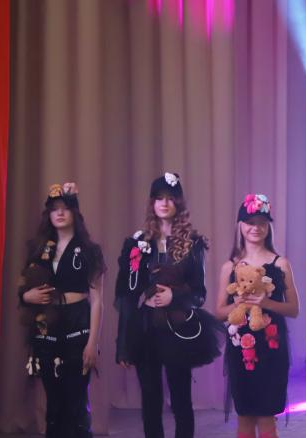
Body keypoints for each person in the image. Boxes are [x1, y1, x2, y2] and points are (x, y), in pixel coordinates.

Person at [115, 172, 221, 438]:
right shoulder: (137, 243)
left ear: (178, 203)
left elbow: (199, 294)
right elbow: (126, 295)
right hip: (147, 329)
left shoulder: (193, 243)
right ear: (152, 203)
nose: (164, 203)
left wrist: (175, 297)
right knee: (150, 400)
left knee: (181, 398)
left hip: (178, 330)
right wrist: (123, 344)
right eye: (159, 198)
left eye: (170, 198)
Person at [19, 182, 105, 437]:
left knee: (76, 401)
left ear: (74, 213)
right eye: (54, 208)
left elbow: (97, 300)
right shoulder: (39, 249)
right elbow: (23, 287)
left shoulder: (89, 250)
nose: (59, 213)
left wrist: (92, 342)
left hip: (77, 324)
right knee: (53, 404)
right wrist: (26, 296)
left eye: (65, 208)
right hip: (47, 324)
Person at [215, 193, 300, 438]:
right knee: (244, 416)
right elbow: (219, 312)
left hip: (271, 347)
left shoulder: (280, 263)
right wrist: (237, 304)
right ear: (240, 225)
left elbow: (294, 309)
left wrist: (267, 303)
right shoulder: (230, 267)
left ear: (268, 227)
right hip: (240, 349)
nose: (256, 228)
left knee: (266, 416)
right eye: (250, 222)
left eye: (262, 223)